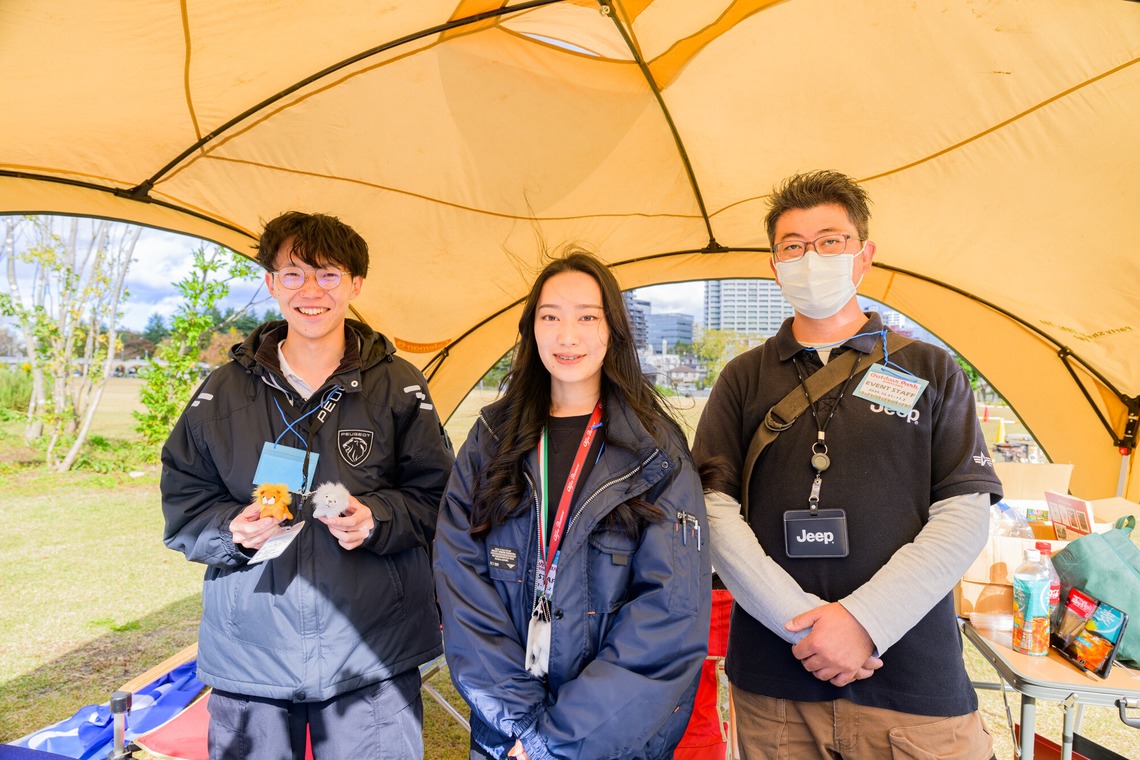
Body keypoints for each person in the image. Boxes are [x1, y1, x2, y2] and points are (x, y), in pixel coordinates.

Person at [693, 171, 1002, 759]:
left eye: (830, 241)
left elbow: (964, 513)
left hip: (911, 680)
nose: (811, 258)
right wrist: (809, 628)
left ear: (865, 255)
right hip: (776, 686)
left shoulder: (931, 370)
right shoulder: (742, 378)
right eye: (793, 246)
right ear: (774, 265)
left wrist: (863, 622)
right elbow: (712, 510)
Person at [161, 211, 454, 760]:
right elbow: (184, 502)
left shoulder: (399, 385)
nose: (311, 291)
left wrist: (379, 517)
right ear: (271, 283)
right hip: (251, 656)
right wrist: (231, 529)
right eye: (293, 275)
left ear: (356, 285)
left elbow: (439, 497)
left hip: (371, 649)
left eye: (329, 275)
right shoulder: (221, 392)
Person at [434, 249, 711, 759]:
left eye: (587, 317)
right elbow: (462, 584)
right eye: (550, 317)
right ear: (531, 330)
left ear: (614, 331)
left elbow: (668, 615)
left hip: (612, 743)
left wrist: (555, 740)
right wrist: (522, 728)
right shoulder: (491, 438)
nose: (567, 336)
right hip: (506, 739)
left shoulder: (656, 449)